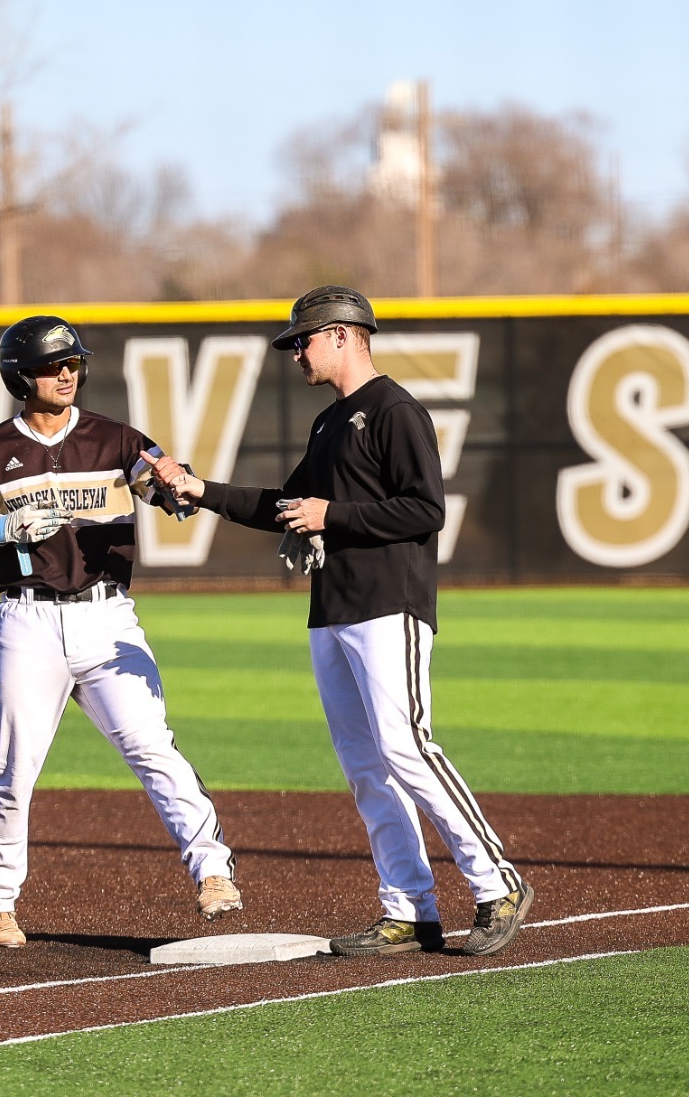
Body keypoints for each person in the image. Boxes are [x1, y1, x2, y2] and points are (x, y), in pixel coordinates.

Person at [144, 285, 533, 958]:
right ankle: (409, 908)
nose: (296, 351)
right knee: (365, 766)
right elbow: (286, 504)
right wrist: (198, 489)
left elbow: (425, 509)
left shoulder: (394, 410)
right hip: (332, 611)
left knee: (406, 747)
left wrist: (335, 516)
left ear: (346, 335)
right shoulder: (329, 423)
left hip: (390, 605)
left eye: (304, 339)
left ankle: (498, 880)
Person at [0, 315, 242, 948]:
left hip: (106, 617)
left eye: (74, 362)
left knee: (154, 748)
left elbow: (167, 487)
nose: (69, 373)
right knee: (13, 766)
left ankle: (212, 871)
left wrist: (174, 488)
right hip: (28, 620)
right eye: (54, 366)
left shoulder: (117, 439)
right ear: (22, 376)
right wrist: (0, 530)